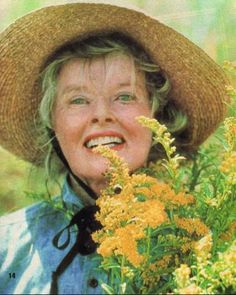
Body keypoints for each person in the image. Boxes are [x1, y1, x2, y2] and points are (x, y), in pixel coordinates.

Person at [0, 2, 229, 294]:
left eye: (123, 96)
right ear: (52, 126)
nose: (101, 114)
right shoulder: (6, 250)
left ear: (157, 116)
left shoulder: (208, 240)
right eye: (78, 100)